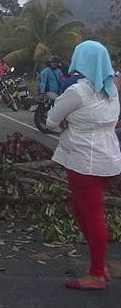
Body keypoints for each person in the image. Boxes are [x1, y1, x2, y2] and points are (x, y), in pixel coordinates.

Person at [45, 41, 121, 290]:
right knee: (83, 210)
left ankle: (97, 273)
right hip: (108, 157)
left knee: (91, 213)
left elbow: (50, 121)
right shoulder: (111, 90)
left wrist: (66, 122)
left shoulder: (78, 91)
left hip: (84, 161)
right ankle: (100, 265)